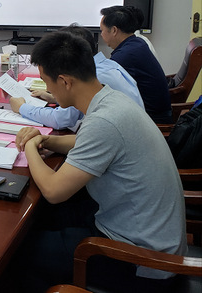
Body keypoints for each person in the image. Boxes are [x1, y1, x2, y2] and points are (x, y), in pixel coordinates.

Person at [13, 32, 186, 291]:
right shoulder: (111, 99)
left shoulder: (104, 122)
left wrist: (29, 146)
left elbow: (53, 191)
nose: (48, 90)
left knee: (19, 254)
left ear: (65, 81)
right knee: (40, 220)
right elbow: (88, 142)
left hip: (142, 260)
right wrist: (46, 141)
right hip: (136, 227)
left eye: (47, 82)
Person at [9, 24, 144, 130]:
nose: (48, 88)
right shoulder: (109, 65)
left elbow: (61, 119)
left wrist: (22, 107)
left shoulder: (94, 77)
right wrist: (54, 98)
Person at [100, 5, 172, 123]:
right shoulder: (137, 43)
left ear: (114, 30)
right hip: (155, 113)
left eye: (102, 30)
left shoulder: (125, 56)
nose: (101, 35)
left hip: (152, 120)